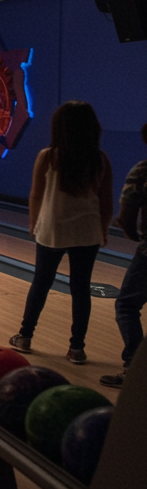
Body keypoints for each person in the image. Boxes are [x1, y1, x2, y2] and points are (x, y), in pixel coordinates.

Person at [7, 102, 114, 364]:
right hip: (87, 231)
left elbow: (36, 194)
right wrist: (103, 229)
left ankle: (25, 336)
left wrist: (33, 224)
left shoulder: (48, 156)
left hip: (53, 229)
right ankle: (77, 348)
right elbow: (106, 200)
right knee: (81, 288)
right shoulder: (99, 159)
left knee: (41, 283)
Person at [102, 121, 147, 387]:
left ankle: (135, 370)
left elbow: (126, 217)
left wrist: (133, 234)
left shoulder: (142, 170)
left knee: (127, 305)